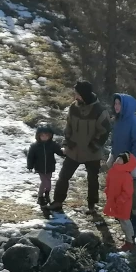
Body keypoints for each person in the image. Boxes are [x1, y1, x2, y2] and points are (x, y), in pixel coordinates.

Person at [46, 81, 111, 213]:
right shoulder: (73, 108)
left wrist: (93, 146)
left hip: (92, 152)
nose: (75, 96)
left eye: (77, 93)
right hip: (73, 150)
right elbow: (68, 127)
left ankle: (92, 206)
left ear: (84, 94)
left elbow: (104, 131)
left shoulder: (100, 111)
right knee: (63, 176)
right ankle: (57, 202)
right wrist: (67, 142)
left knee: (92, 179)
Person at [107, 93, 136, 237]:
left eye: (119, 104)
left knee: (129, 193)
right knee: (117, 189)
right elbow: (115, 141)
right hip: (117, 161)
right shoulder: (118, 120)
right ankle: (121, 213)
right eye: (115, 104)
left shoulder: (134, 122)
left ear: (126, 106)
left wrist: (130, 162)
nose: (116, 106)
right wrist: (112, 154)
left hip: (128, 162)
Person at [104, 152, 136, 252]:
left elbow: (128, 192)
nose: (118, 159)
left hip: (123, 203)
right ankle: (130, 237)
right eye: (118, 158)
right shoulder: (112, 171)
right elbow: (108, 183)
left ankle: (129, 242)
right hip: (114, 200)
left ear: (125, 163)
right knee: (122, 220)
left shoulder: (126, 176)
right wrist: (107, 192)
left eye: (121, 159)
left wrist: (120, 200)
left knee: (125, 221)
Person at [27, 124, 65, 206]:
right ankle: (40, 196)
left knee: (48, 181)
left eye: (46, 135)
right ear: (38, 136)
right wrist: (30, 165)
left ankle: (47, 194)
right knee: (44, 182)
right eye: (42, 135)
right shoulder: (35, 146)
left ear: (50, 136)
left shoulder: (52, 145)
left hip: (50, 166)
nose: (44, 137)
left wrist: (64, 153)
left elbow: (59, 151)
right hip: (39, 167)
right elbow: (30, 156)